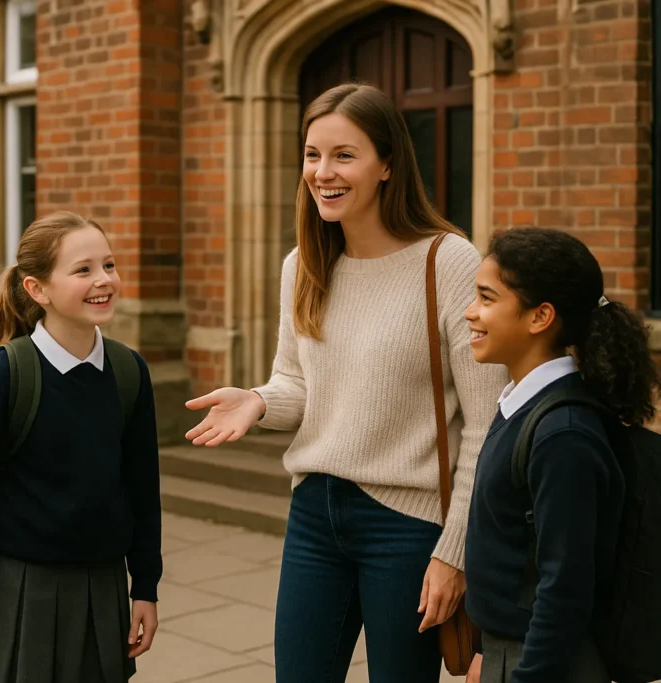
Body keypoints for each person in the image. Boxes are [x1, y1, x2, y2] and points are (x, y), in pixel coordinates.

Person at [184, 83, 507, 683]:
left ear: (387, 164)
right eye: (312, 154)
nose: (322, 172)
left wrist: (454, 551)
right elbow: (298, 385)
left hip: (408, 528)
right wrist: (256, 400)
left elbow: (487, 426)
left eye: (343, 155)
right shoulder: (304, 262)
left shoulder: (449, 261)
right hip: (314, 513)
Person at [0, 211, 162, 683]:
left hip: (105, 587)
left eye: (108, 265)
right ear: (36, 290)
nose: (103, 280)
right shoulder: (0, 378)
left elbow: (143, 492)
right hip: (21, 590)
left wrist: (145, 588)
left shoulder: (129, 373)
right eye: (83, 270)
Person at [462, 227, 657, 682]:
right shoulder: (522, 404)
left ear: (540, 317)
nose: (470, 313)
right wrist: (487, 648)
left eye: (487, 298)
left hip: (546, 664)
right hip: (510, 651)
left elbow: (564, 587)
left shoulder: (561, 434)